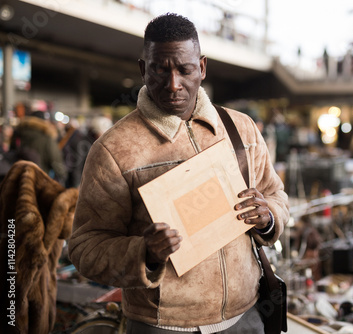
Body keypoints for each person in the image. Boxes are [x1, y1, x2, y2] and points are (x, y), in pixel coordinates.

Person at [68, 13, 289, 334]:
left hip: (246, 316)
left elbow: (276, 194)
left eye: (184, 70)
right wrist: (145, 254)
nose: (173, 84)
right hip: (164, 326)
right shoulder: (114, 149)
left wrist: (268, 216)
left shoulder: (240, 129)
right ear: (144, 70)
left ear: (201, 68)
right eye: (160, 69)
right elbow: (85, 248)